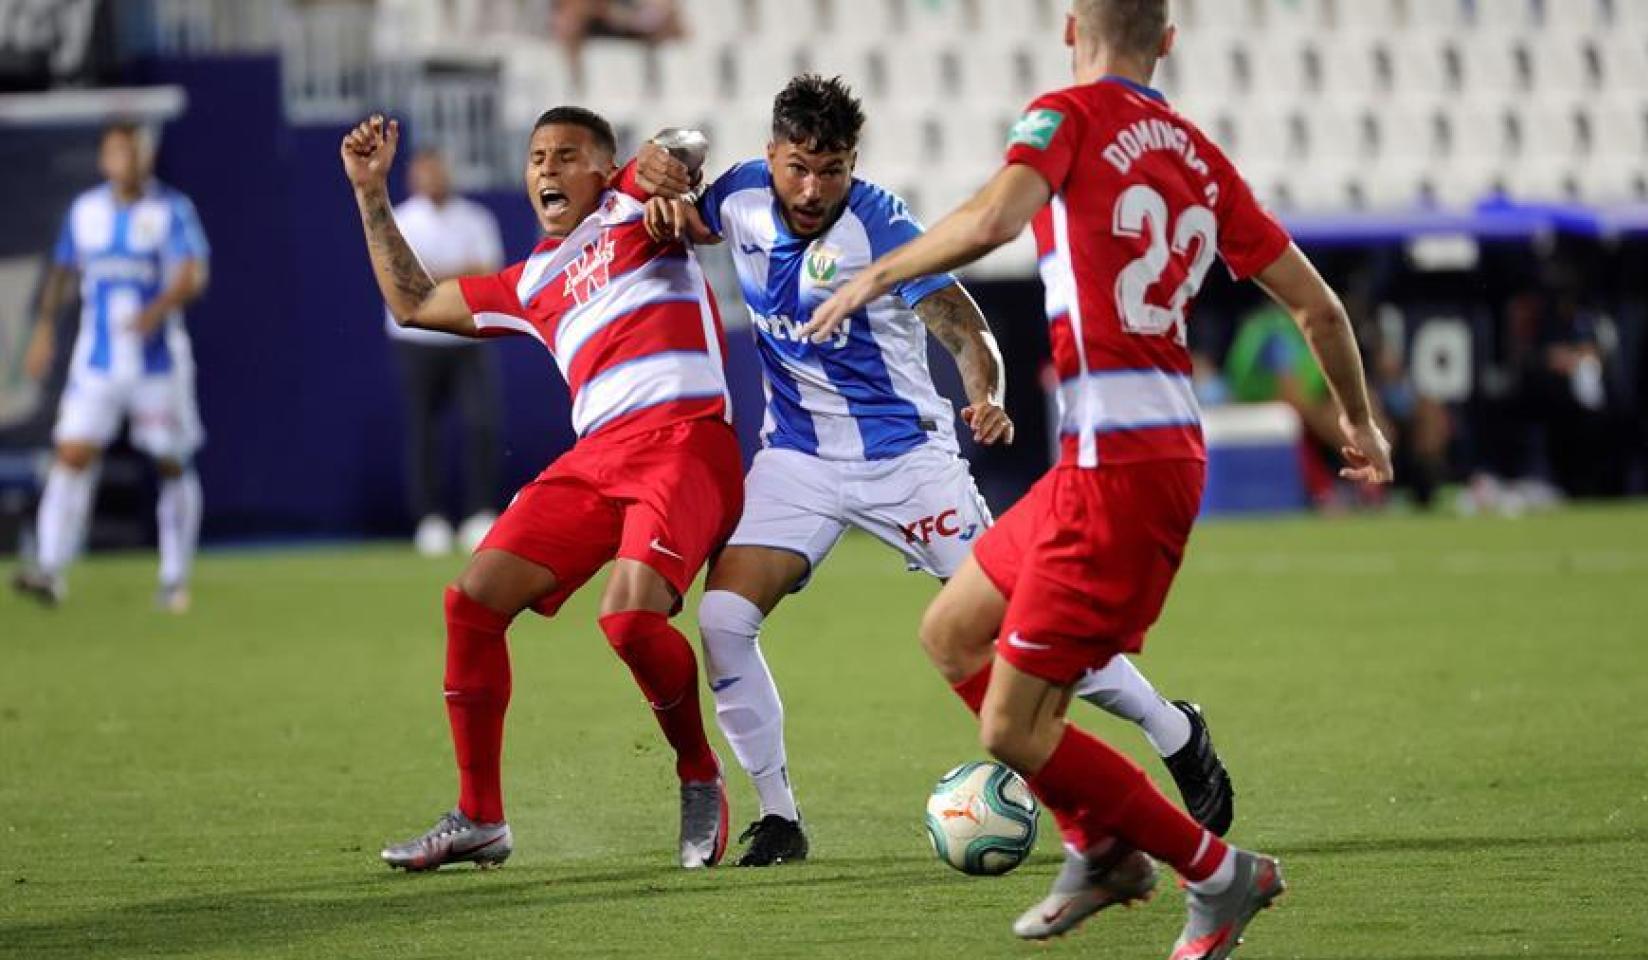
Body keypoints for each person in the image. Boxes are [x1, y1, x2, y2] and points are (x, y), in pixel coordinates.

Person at [808, 2, 1393, 957]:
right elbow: (1320, 309)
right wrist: (1361, 423)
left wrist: (876, 277)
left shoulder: (1067, 116)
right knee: (952, 632)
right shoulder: (1201, 158)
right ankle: (1100, 848)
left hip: (1118, 468)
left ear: (1071, 27)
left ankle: (1218, 873)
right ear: (1167, 40)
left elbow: (995, 217)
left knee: (1011, 728)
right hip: (1132, 453)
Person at [644, 74, 1235, 868]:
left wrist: (984, 395)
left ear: (854, 162)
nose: (813, 188)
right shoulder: (742, 196)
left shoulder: (884, 224)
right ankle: (779, 817)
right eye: (798, 167)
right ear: (770, 156)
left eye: (833, 168)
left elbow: (966, 330)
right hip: (797, 459)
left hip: (907, 463)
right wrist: (665, 169)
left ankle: (1174, 729)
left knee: (1022, 624)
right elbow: (685, 196)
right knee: (722, 622)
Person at [341, 107, 741, 871]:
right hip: (598, 456)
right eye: (535, 158)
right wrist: (370, 193)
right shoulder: (530, 280)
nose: (547, 170)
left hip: (686, 441)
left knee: (626, 623)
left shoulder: (632, 206)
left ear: (603, 167)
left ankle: (698, 772)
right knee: (472, 601)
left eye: (566, 156)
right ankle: (480, 817)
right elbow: (414, 304)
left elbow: (686, 144)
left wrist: (669, 160)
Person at [12, 121, 210, 613]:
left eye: (135, 151)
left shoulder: (171, 211)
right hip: (96, 364)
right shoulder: (86, 212)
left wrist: (157, 309)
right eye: (118, 152)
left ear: (147, 156)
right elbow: (62, 271)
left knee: (171, 461)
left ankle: (173, 579)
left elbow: (193, 273)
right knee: (72, 454)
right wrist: (42, 332)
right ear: (105, 159)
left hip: (158, 364)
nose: (128, 160)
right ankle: (50, 568)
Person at [385, 148, 506, 556]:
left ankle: (479, 514)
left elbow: (489, 275)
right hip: (416, 341)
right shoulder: (401, 219)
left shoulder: (476, 218)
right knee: (423, 432)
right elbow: (405, 282)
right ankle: (429, 519)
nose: (433, 178)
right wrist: (459, 273)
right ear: (414, 177)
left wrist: (433, 276)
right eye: (425, 172)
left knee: (481, 425)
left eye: (438, 170)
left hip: (469, 337)